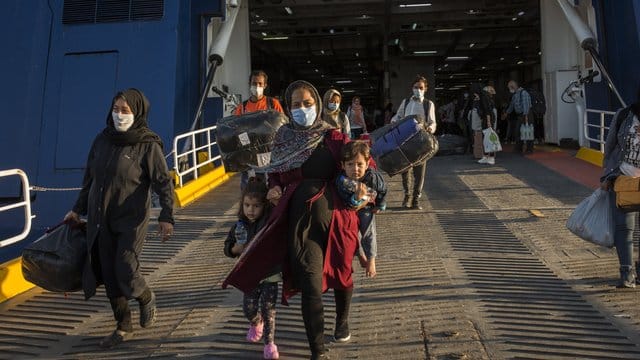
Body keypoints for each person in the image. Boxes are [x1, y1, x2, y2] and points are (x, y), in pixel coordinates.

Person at [222, 80, 362, 360]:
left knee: (343, 274)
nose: (302, 109)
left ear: (317, 105)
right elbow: (274, 173)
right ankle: (317, 350)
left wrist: (363, 183)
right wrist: (273, 186)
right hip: (301, 226)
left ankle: (342, 319)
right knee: (311, 284)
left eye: (307, 103)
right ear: (288, 108)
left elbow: (358, 164)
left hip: (337, 221)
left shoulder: (334, 138)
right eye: (296, 104)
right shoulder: (282, 138)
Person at [64, 88, 174, 348]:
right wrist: (77, 209)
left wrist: (167, 216)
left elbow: (162, 182)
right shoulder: (102, 140)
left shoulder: (147, 144)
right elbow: (89, 180)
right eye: (116, 109)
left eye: (125, 110)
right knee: (109, 276)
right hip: (100, 218)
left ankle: (145, 296)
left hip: (130, 219)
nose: (119, 115)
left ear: (137, 112)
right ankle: (123, 326)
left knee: (125, 268)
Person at [224, 178, 280, 359]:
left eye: (256, 206)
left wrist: (274, 200)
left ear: (264, 206)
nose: (251, 210)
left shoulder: (268, 219)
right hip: (250, 275)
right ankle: (256, 322)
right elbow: (228, 247)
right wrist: (234, 249)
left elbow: (278, 212)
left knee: (268, 308)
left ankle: (269, 344)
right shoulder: (239, 225)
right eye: (247, 205)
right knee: (249, 308)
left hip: (269, 272)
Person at [601, 85, 640, 288]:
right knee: (624, 228)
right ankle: (627, 273)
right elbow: (610, 146)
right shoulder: (624, 115)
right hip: (623, 178)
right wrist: (606, 175)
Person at [335, 141, 386, 278]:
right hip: (349, 208)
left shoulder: (373, 177)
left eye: (359, 164)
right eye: (350, 164)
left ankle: (371, 259)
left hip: (367, 208)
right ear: (343, 165)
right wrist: (357, 198)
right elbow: (348, 203)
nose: (355, 169)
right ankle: (360, 254)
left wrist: (380, 205)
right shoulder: (342, 181)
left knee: (369, 231)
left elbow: (382, 189)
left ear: (367, 163)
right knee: (352, 235)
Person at [234, 70, 285, 190]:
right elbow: (236, 129)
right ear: (249, 84)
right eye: (254, 83)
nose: (257, 86)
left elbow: (282, 126)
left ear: (265, 85)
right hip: (248, 154)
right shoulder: (243, 107)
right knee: (246, 186)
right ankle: (246, 205)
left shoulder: (273, 104)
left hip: (268, 152)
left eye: (260, 84)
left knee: (266, 184)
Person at [391, 75, 437, 210]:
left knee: (419, 171)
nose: (418, 90)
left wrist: (430, 128)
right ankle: (407, 196)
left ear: (425, 89)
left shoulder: (428, 104)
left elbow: (433, 121)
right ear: (412, 88)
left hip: (421, 142)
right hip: (405, 141)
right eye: (416, 87)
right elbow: (398, 116)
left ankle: (416, 199)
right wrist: (394, 122)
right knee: (405, 171)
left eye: (421, 88)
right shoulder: (406, 102)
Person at [505, 80, 533, 153]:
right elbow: (512, 105)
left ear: (513, 86)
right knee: (518, 132)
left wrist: (526, 117)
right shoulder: (515, 95)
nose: (509, 90)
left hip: (526, 114)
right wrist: (506, 113)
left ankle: (529, 149)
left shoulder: (523, 93)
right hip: (520, 115)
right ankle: (518, 148)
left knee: (528, 131)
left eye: (509, 88)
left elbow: (526, 105)